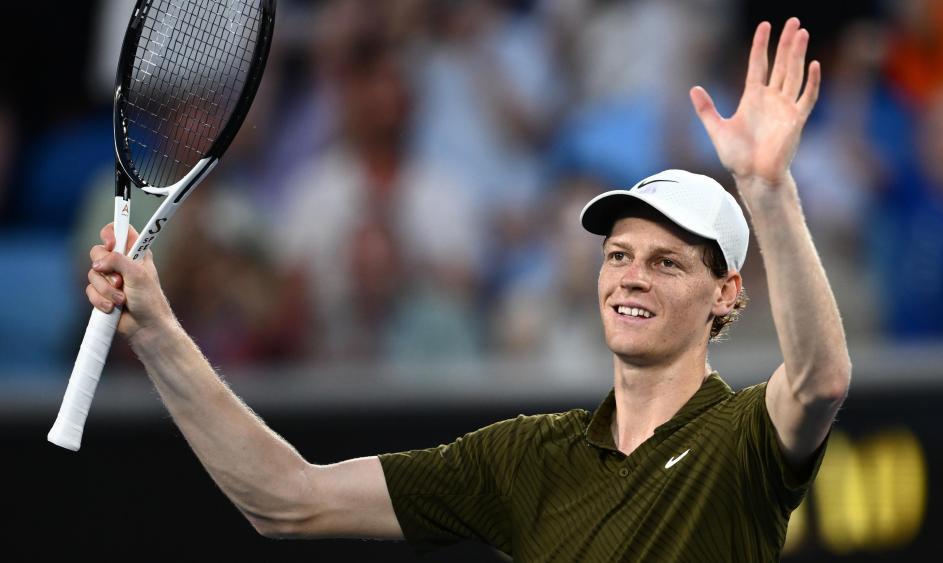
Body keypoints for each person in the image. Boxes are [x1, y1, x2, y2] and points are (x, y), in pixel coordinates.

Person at [84, 18, 849, 562]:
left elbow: (820, 379)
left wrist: (765, 187)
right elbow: (286, 496)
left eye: (667, 262)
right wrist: (155, 327)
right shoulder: (525, 458)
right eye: (618, 255)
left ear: (726, 295)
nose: (631, 276)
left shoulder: (742, 439)